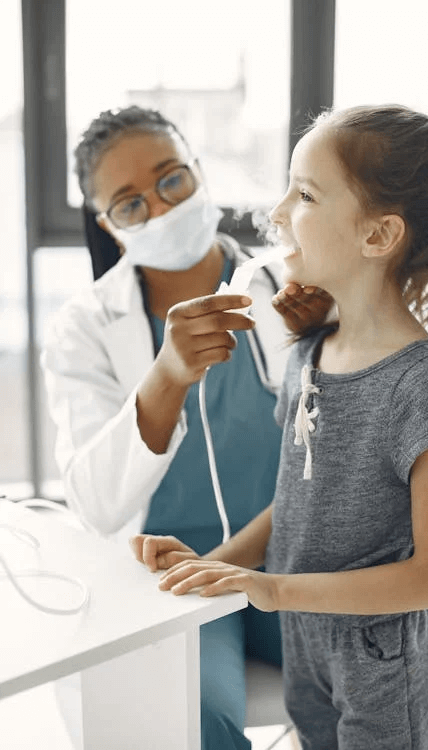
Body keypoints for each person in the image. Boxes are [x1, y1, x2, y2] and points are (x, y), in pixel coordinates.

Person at [130, 103, 428, 749]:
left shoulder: (419, 383)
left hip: (385, 677)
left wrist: (271, 588)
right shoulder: (309, 350)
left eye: (303, 193)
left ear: (378, 236)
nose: (275, 214)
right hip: (309, 649)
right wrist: (214, 568)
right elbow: (297, 504)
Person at [41, 105, 333, 750]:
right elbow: (94, 503)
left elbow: (345, 444)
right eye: (129, 204)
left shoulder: (296, 285)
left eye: (171, 180)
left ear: (201, 173)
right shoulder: (85, 328)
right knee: (192, 722)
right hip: (169, 577)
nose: (160, 209)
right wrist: (166, 377)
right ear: (107, 226)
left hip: (294, 549)